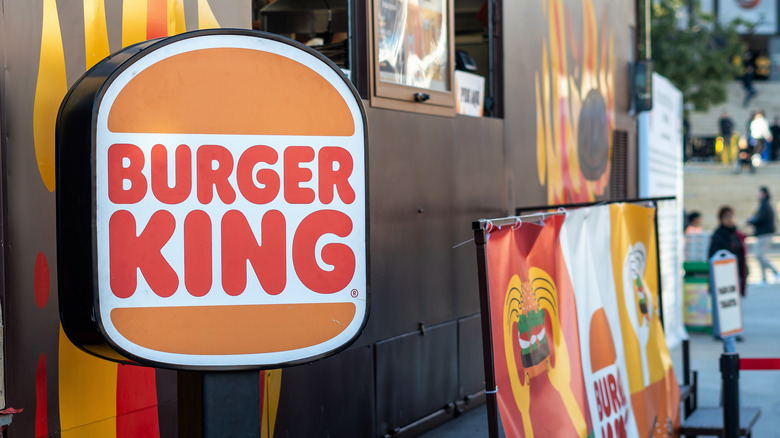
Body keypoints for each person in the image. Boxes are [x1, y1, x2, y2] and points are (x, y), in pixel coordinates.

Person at [709, 206, 748, 297]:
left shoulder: (737, 234)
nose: (730, 219)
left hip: (737, 272)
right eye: (726, 217)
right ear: (721, 219)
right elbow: (714, 254)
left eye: (731, 216)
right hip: (724, 274)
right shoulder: (718, 235)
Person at [747, 187, 779, 284]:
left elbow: (760, 219)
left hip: (765, 234)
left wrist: (750, 221)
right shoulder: (764, 204)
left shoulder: (765, 205)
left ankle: (775, 272)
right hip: (763, 234)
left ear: (764, 194)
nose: (758, 195)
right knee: (759, 255)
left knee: (759, 255)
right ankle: (764, 278)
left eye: (759, 193)